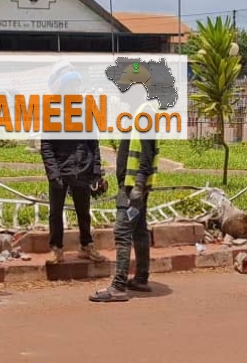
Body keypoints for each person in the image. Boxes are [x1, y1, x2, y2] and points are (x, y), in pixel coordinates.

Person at [89, 101, 159, 303]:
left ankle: (118, 286)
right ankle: (141, 278)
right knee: (139, 230)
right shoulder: (139, 113)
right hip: (133, 186)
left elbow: (147, 153)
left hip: (131, 189)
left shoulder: (144, 113)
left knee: (122, 231)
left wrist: (137, 186)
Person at [40, 61, 108, 264]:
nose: (74, 89)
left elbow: (93, 142)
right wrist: (53, 174)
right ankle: (56, 249)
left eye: (75, 85)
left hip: (82, 169)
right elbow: (46, 145)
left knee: (83, 212)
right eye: (69, 86)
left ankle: (86, 246)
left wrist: (96, 170)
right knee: (55, 213)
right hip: (60, 171)